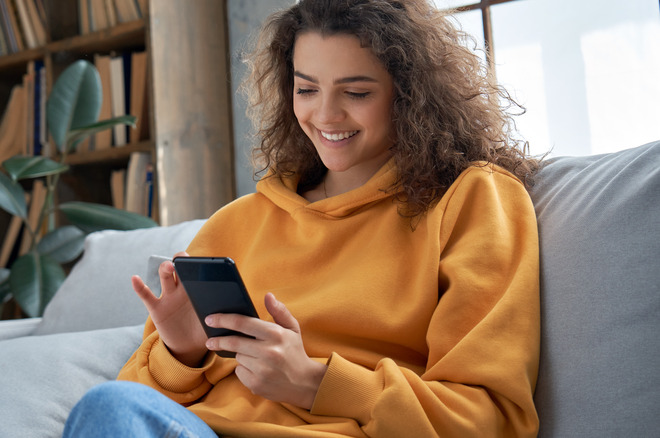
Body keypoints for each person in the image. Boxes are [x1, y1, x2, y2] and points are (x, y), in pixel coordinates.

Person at [64, 0, 542, 436]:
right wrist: (182, 354)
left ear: (411, 94)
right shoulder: (236, 223)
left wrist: (313, 381)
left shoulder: (472, 198)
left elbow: (490, 419)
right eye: (307, 89)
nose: (326, 115)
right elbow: (132, 406)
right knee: (108, 406)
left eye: (356, 92)